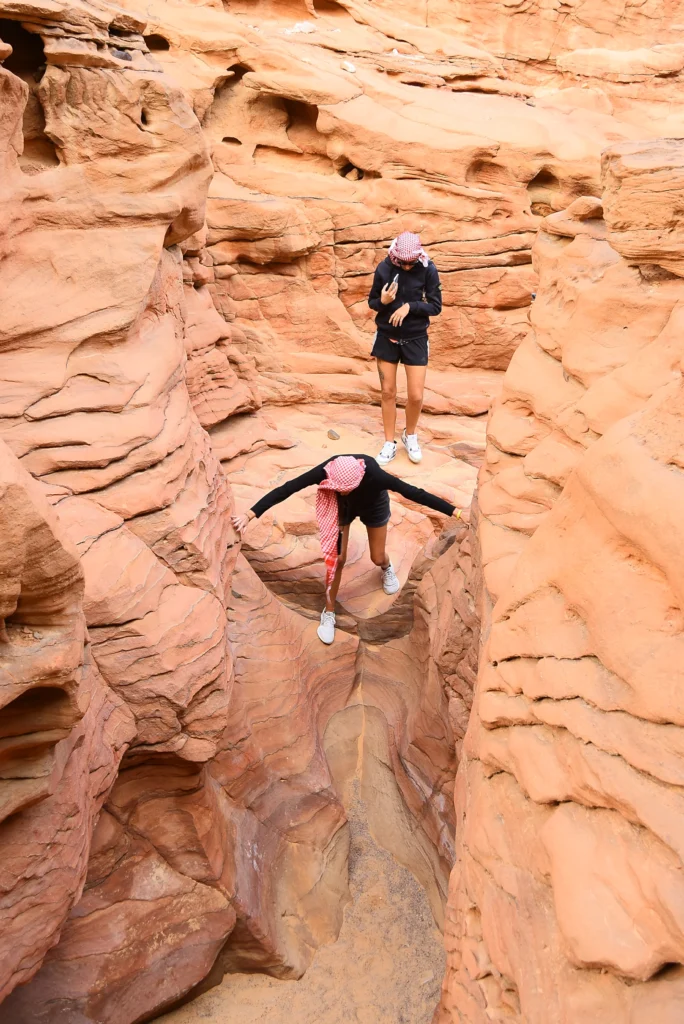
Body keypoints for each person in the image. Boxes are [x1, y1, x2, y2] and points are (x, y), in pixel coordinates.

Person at [231, 454, 465, 646]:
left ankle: (386, 567)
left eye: (343, 488)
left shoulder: (374, 475)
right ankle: (329, 611)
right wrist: (250, 514)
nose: (338, 489)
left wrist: (456, 512)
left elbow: (415, 493)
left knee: (376, 556)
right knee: (337, 558)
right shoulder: (327, 471)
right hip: (342, 508)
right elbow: (287, 488)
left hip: (373, 505)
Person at [368, 231, 442, 467]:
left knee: (416, 395)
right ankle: (389, 443)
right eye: (403, 263)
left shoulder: (428, 268)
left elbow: (435, 306)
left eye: (412, 263)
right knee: (388, 392)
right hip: (386, 337)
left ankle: (410, 435)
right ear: (396, 256)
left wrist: (410, 306)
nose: (408, 267)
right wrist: (385, 303)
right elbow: (373, 303)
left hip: (416, 338)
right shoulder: (384, 268)